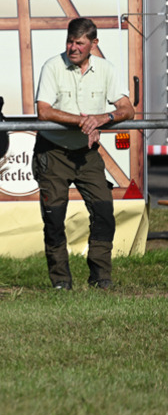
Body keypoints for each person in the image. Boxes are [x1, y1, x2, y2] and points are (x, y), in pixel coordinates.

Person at [33, 17, 133, 290]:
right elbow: (43, 111)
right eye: (69, 41)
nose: (73, 47)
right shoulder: (52, 66)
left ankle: (101, 277)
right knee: (54, 217)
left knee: (104, 212)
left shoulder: (106, 69)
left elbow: (127, 109)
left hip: (87, 153)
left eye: (79, 43)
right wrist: (81, 121)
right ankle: (61, 282)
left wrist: (103, 117)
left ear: (94, 43)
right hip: (52, 152)